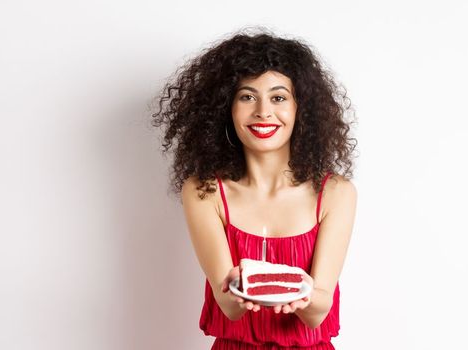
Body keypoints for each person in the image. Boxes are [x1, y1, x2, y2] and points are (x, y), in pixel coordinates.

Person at [152, 29, 358, 349]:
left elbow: (318, 313)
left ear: (300, 108)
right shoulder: (204, 192)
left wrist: (304, 294)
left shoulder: (335, 193)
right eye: (247, 96)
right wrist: (236, 287)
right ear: (226, 108)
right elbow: (230, 308)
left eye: (278, 97)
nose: (263, 111)